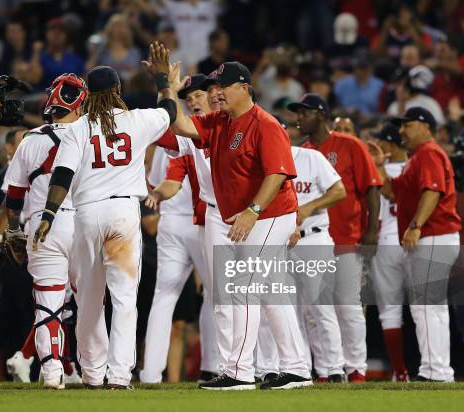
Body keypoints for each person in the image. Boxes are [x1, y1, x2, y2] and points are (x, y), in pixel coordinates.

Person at [161, 49, 312, 389]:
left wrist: (252, 211)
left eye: (223, 86)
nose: (216, 92)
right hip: (249, 216)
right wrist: (167, 87)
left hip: (270, 214)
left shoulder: (265, 124)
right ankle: (297, 368)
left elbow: (277, 175)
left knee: (242, 287)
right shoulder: (221, 121)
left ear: (244, 87)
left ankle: (239, 372)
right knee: (272, 293)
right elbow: (180, 125)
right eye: (214, 86)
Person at [33, 62, 177, 389]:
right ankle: (120, 376)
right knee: (125, 298)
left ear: (88, 96)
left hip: (86, 213)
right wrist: (162, 79)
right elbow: (168, 109)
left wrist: (49, 214)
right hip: (124, 212)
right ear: (117, 91)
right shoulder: (137, 119)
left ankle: (93, 372)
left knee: (88, 298)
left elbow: (62, 175)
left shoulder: (79, 128)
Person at [289, 93, 382, 383]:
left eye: (304, 112)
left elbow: (371, 188)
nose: (299, 117)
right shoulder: (301, 152)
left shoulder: (350, 145)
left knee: (348, 307)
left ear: (321, 114)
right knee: (314, 311)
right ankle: (326, 369)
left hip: (349, 238)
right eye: (298, 113)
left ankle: (356, 368)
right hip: (318, 239)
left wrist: (371, 230)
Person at [4, 73, 88, 389]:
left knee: (48, 304)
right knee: (90, 303)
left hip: (44, 226)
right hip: (85, 222)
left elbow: (13, 196)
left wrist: (12, 232)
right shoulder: (93, 134)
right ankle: (96, 370)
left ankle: (53, 371)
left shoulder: (31, 138)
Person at [368, 107, 461, 382]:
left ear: (425, 126)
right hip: (433, 237)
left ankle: (435, 371)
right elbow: (391, 193)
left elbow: (433, 191)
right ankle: (437, 369)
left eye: (407, 125)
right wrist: (379, 167)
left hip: (433, 235)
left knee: (427, 307)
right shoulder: (417, 158)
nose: (402, 131)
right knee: (429, 307)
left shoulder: (430, 152)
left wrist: (416, 225)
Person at [140, 74, 219, 384]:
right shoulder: (185, 137)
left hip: (207, 221)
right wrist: (157, 197)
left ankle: (214, 367)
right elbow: (166, 178)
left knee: (215, 296)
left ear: (214, 95)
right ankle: (151, 373)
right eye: (188, 97)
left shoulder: (217, 129)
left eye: (198, 94)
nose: (193, 100)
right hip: (183, 221)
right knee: (173, 294)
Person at [366, 123, 410, 382]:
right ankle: (432, 368)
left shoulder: (377, 170)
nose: (378, 145)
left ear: (391, 146)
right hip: (418, 241)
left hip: (386, 242)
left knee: (390, 311)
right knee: (428, 311)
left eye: (382, 141)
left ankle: (400, 371)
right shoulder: (416, 166)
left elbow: (387, 197)